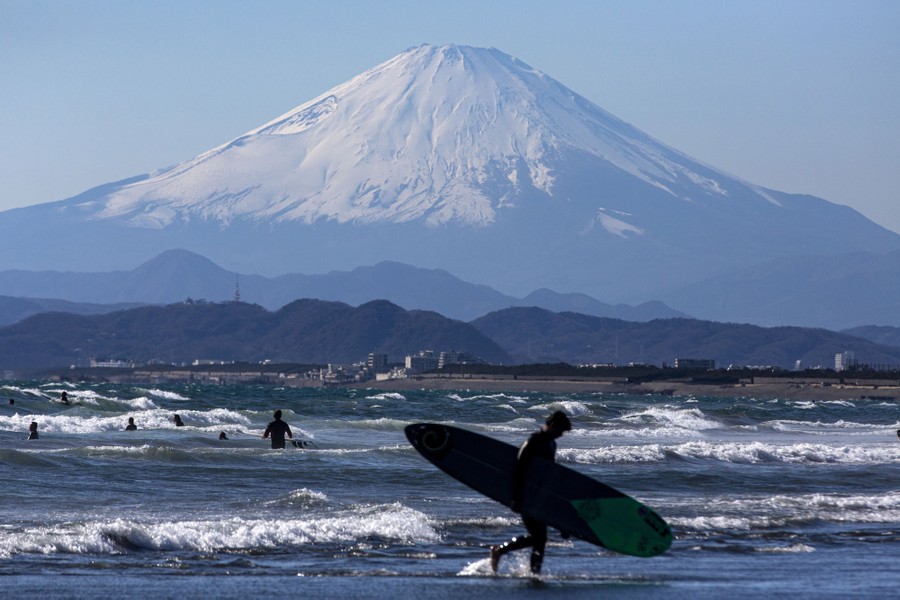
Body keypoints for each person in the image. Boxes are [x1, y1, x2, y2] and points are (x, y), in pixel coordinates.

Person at [489, 410, 572, 575]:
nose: (561, 435)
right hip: (526, 495)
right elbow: (519, 469)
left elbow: (548, 474)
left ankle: (534, 572)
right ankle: (500, 551)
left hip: (540, 496)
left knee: (540, 539)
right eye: (560, 431)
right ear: (553, 425)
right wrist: (516, 497)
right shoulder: (533, 441)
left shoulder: (551, 444)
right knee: (538, 537)